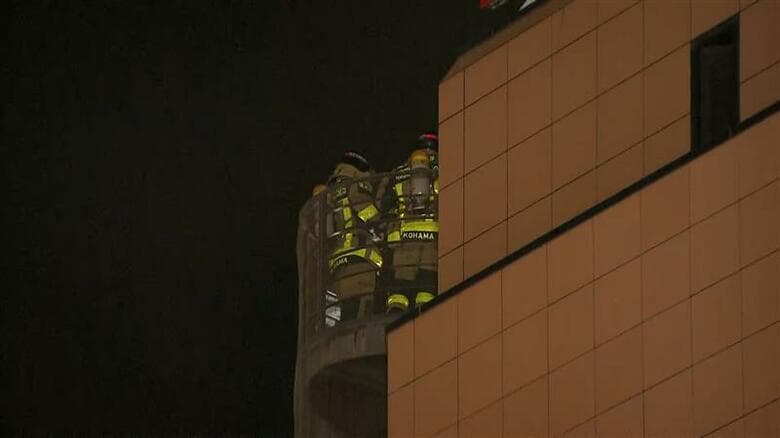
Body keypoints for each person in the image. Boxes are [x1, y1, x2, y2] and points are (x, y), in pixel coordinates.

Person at [384, 133, 440, 312]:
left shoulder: (400, 171)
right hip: (433, 234)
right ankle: (426, 316)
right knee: (427, 283)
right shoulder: (447, 166)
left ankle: (395, 315)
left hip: (405, 236)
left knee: (401, 280)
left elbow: (382, 203)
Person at [325, 151, 384, 322]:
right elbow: (366, 211)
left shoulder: (329, 193)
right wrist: (381, 226)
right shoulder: (357, 184)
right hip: (359, 258)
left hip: (338, 262)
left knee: (346, 312)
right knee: (362, 313)